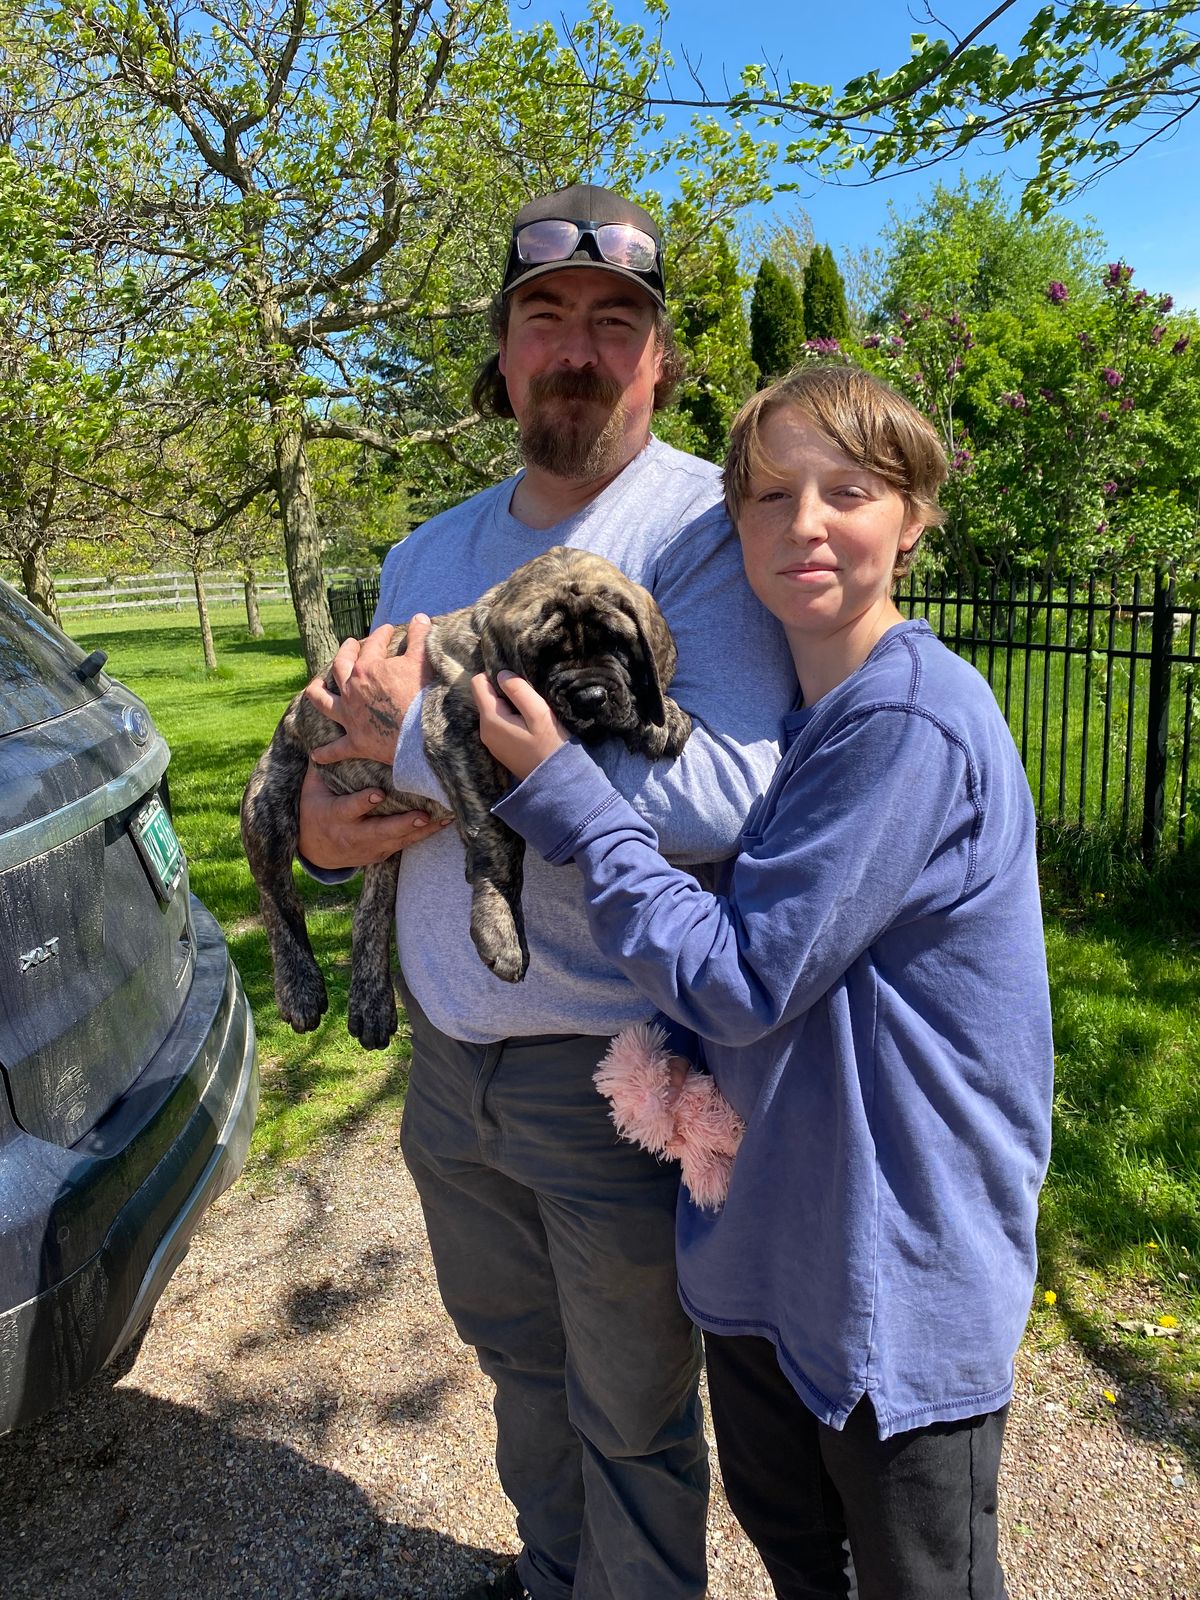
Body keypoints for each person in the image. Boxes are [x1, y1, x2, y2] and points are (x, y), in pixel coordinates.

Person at [473, 362, 1055, 1600]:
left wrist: (569, 796)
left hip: (889, 1277)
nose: (806, 524)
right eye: (772, 494)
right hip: (768, 1261)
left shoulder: (909, 721)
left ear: (915, 516)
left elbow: (740, 977)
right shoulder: (803, 725)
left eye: (850, 490)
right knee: (804, 1561)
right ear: (734, 523)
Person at [297, 184, 797, 1600]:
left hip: (613, 1070)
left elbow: (725, 791)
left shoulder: (705, 529)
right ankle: (551, 1574)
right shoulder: (425, 554)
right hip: (449, 1063)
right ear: (504, 349)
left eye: (615, 323)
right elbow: (362, 776)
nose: (578, 349)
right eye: (547, 317)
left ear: (661, 359)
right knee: (518, 1366)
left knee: (631, 1413)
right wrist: (329, 834)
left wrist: (419, 745)